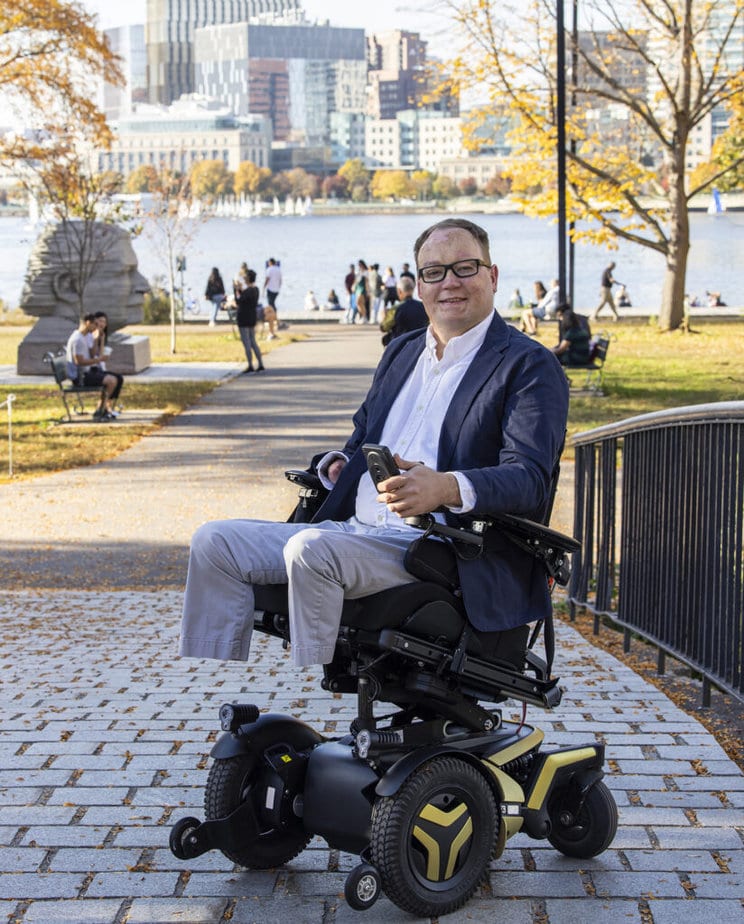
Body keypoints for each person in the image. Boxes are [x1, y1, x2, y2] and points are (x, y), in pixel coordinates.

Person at [180, 218, 569, 670]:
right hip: (352, 531)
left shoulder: (527, 365)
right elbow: (361, 437)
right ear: (419, 285)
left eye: (465, 268)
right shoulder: (402, 352)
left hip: (436, 548)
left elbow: (529, 479)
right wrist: (338, 465)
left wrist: (445, 487)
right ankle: (214, 674)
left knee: (310, 550)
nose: (449, 283)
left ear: (492, 276)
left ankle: (315, 677)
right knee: (214, 541)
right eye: (434, 272)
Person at [65, 313, 123, 421]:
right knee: (111, 381)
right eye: (95, 324)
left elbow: (92, 354)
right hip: (81, 377)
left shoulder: (83, 337)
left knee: (118, 378)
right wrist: (99, 360)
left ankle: (103, 408)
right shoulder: (77, 340)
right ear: (88, 323)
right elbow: (79, 361)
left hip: (87, 372)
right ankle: (101, 409)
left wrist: (97, 339)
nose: (97, 327)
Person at [91, 311, 124, 417]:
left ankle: (106, 405)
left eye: (104, 322)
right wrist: (97, 339)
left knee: (119, 378)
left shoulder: (101, 336)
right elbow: (94, 355)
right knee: (112, 380)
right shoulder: (91, 336)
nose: (102, 324)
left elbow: (100, 356)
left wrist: (102, 339)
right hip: (91, 369)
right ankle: (102, 406)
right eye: (100, 321)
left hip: (98, 367)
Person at [380, 276, 428, 345]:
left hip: (401, 343)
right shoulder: (423, 306)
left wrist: (384, 317)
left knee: (385, 339)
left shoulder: (396, 308)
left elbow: (384, 327)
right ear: (413, 289)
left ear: (399, 291)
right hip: (420, 343)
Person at [236, 269, 265, 374]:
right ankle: (260, 363)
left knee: (246, 342)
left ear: (247, 279)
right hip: (252, 317)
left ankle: (250, 365)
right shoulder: (255, 290)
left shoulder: (248, 291)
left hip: (243, 318)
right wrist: (240, 290)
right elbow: (245, 298)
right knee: (253, 341)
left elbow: (239, 301)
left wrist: (236, 290)